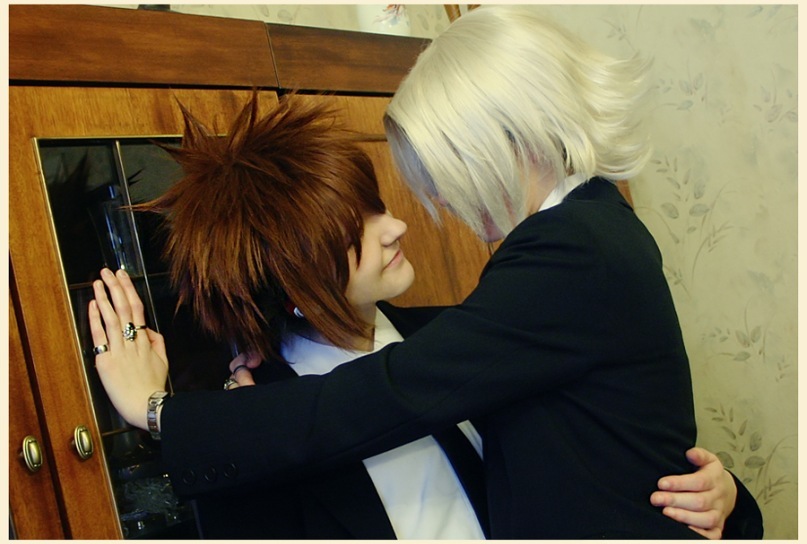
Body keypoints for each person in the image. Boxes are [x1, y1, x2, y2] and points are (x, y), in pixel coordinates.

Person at [89, 7, 762, 538]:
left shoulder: (561, 256)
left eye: (437, 171)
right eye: (354, 230)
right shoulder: (260, 423)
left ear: (504, 139)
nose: (416, 214)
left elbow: (390, 396)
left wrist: (725, 502)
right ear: (294, 279)